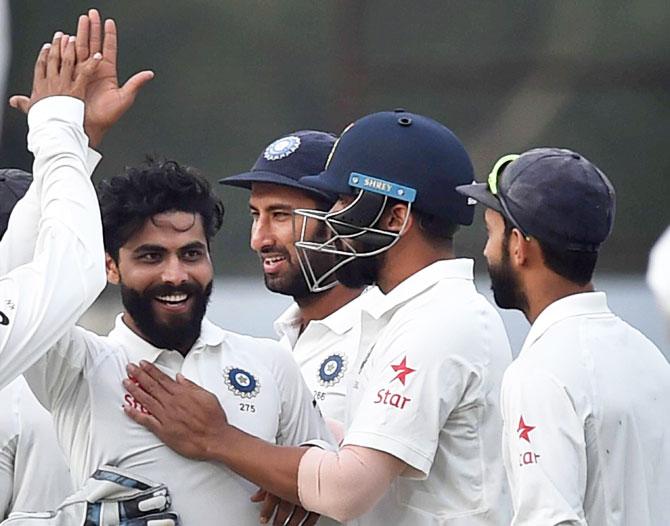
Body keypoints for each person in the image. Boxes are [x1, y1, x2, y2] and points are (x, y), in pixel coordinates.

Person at [124, 110, 513, 525]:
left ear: (396, 218)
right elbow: (350, 453)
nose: (334, 220)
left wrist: (215, 438)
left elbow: (345, 491)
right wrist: (290, 469)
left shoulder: (438, 322)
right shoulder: (409, 316)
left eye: (345, 202)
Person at [456, 148, 670, 525]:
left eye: (491, 233)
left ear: (520, 246)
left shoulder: (540, 373)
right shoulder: (649, 355)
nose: (487, 250)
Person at [220, 130, 365, 426]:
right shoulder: (283, 342)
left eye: (280, 215)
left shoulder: (379, 337)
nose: (259, 240)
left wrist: (215, 440)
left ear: (340, 220)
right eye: (255, 215)